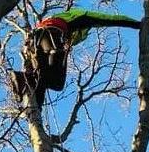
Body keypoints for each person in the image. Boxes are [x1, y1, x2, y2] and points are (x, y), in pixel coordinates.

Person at [10, 8, 141, 107]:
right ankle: (23, 78)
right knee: (57, 81)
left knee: (43, 79)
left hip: (36, 41)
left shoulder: (60, 18)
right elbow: (109, 19)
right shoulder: (82, 17)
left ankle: (34, 110)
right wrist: (136, 24)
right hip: (52, 35)